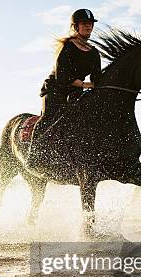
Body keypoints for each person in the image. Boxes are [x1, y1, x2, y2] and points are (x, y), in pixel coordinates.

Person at [27, 8, 102, 168]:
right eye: (85, 24)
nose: (89, 27)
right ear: (76, 27)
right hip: (55, 90)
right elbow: (62, 77)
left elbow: (97, 79)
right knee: (48, 118)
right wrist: (84, 84)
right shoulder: (67, 47)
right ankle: (33, 155)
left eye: (90, 24)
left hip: (75, 93)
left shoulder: (94, 53)